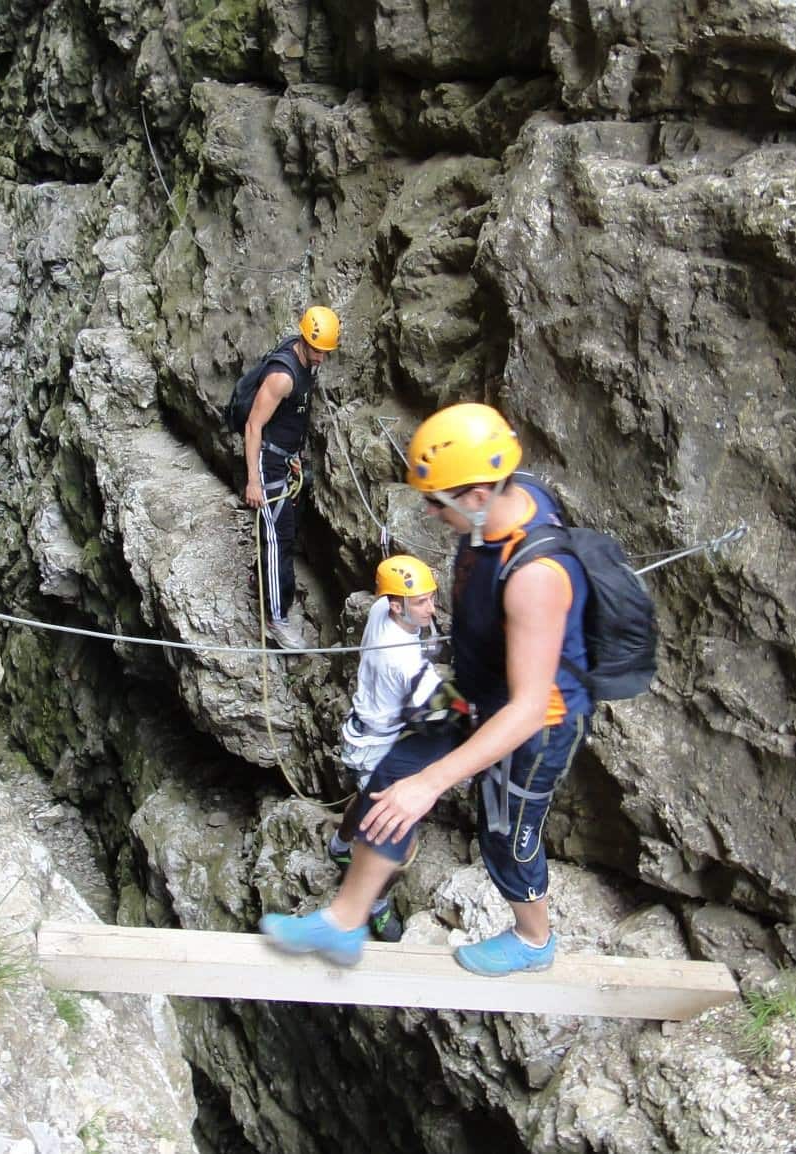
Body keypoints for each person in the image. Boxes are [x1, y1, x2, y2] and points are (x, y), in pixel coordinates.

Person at [262, 403, 591, 976]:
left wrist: (434, 783)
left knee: (502, 832)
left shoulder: (536, 577)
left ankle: (534, 939)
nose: (432, 514)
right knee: (393, 777)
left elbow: (529, 707)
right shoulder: (504, 502)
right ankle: (345, 921)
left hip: (536, 722)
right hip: (478, 687)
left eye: (437, 501)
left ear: (476, 493)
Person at [327, 555, 443, 942]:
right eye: (423, 602)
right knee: (399, 841)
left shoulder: (381, 607)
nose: (432, 608)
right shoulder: (405, 662)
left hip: (361, 735)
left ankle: (340, 844)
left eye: (432, 598)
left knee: (365, 799)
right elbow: (445, 714)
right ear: (398, 605)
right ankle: (374, 903)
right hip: (378, 745)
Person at [242, 305, 339, 650]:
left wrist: (294, 458)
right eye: (317, 351)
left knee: (287, 528)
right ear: (303, 340)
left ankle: (263, 580)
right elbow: (254, 426)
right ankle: (276, 618)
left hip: (287, 460)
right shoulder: (283, 377)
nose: (321, 359)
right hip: (269, 464)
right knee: (277, 539)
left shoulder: (308, 364)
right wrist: (254, 480)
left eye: (326, 353)